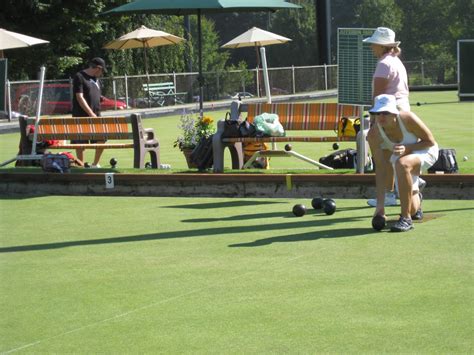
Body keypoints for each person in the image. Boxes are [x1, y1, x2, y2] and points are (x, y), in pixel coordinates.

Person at [362, 27, 425, 207]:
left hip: (388, 112)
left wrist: (374, 121)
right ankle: (399, 190)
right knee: (392, 152)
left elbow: (379, 95)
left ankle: (393, 194)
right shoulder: (396, 61)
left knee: (383, 155)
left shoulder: (383, 64)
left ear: (382, 46)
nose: (372, 47)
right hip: (402, 111)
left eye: (374, 44)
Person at [368, 94, 438, 232]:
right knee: (413, 209)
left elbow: (430, 141)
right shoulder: (373, 135)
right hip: (403, 160)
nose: (381, 117)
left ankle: (406, 219)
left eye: (386, 113)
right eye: (377, 113)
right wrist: (380, 208)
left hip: (425, 151)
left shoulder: (407, 118)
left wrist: (408, 149)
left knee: (402, 163)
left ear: (394, 113)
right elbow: (381, 170)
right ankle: (415, 196)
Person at [71, 57, 107, 168]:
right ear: (98, 68)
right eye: (102, 71)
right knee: (80, 143)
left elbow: (91, 92)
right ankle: (81, 165)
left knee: (101, 138)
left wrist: (100, 98)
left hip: (97, 114)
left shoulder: (96, 79)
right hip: (81, 116)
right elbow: (79, 97)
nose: (102, 74)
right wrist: (91, 113)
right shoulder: (79, 76)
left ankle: (95, 164)